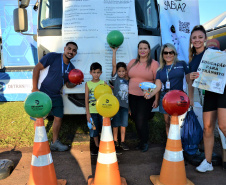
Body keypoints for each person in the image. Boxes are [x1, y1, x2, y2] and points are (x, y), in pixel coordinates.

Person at [188, 25, 226, 172]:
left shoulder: (213, 52)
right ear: (191, 40)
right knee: (207, 128)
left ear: (205, 39)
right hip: (209, 94)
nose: (197, 40)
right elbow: (191, 82)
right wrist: (191, 96)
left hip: (223, 91)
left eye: (200, 37)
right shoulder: (193, 61)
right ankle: (208, 162)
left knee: (223, 126)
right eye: (194, 38)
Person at [32, 41, 79, 151]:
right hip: (43, 92)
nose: (71, 52)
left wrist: (76, 82)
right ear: (64, 48)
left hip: (57, 95)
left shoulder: (72, 68)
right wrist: (35, 88)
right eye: (69, 49)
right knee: (39, 118)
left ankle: (54, 143)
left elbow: (68, 84)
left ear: (75, 54)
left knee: (58, 117)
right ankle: (39, 143)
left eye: (74, 50)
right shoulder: (53, 56)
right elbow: (37, 68)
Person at [144, 43, 190, 136]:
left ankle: (180, 143)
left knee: (179, 122)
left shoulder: (182, 64)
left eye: (171, 52)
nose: (168, 55)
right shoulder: (160, 70)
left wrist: (190, 97)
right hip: (165, 98)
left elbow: (190, 81)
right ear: (162, 55)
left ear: (174, 53)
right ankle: (170, 142)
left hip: (179, 98)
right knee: (167, 122)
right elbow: (157, 86)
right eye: (166, 53)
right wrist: (149, 94)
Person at [127, 40, 159, 152]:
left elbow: (157, 81)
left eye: (145, 48)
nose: (142, 50)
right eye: (140, 48)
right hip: (131, 95)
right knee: (135, 118)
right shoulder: (132, 62)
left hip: (146, 96)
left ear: (149, 50)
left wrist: (156, 98)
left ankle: (144, 142)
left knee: (141, 119)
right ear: (138, 50)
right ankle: (141, 141)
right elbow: (127, 77)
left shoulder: (154, 64)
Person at [110, 47, 129, 150]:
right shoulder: (115, 79)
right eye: (119, 71)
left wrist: (129, 108)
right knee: (116, 125)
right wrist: (114, 52)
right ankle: (115, 141)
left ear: (126, 71)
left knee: (124, 125)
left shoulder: (128, 81)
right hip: (116, 106)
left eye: (123, 71)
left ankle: (122, 142)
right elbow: (113, 65)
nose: (121, 73)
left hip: (125, 107)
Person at [85, 62, 106, 155]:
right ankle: (96, 147)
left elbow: (106, 97)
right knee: (94, 130)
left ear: (101, 73)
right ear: (90, 73)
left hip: (102, 112)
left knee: (103, 130)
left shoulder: (103, 83)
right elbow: (86, 99)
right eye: (94, 72)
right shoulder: (88, 84)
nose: (96, 74)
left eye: (98, 72)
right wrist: (87, 113)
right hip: (92, 112)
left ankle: (103, 146)